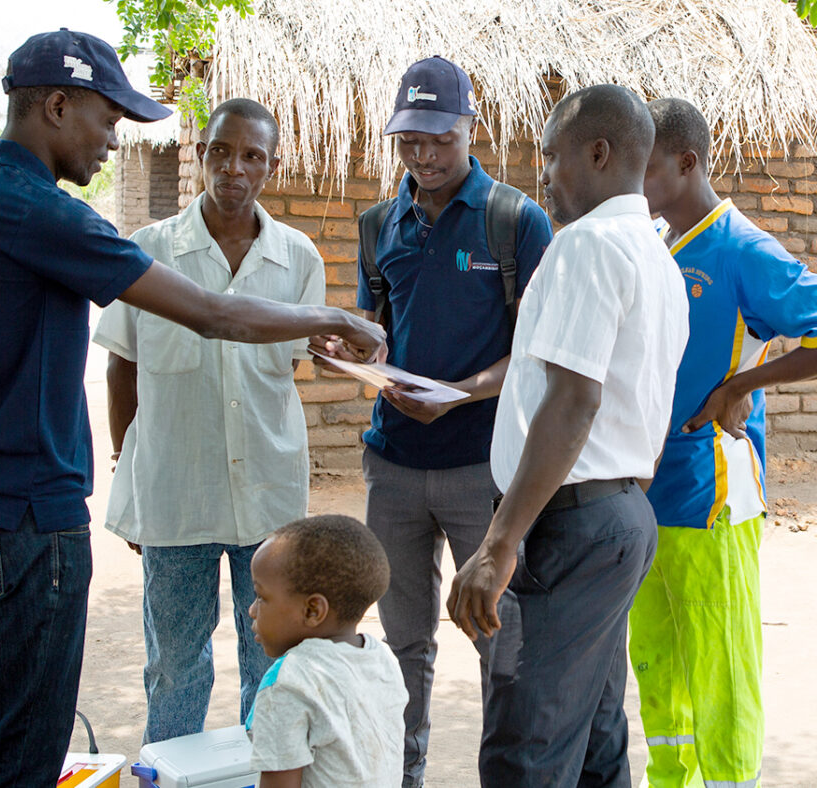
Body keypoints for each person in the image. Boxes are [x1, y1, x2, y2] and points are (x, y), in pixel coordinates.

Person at [0, 30, 382, 788]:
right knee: (26, 744)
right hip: (31, 512)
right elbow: (211, 315)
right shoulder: (43, 213)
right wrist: (334, 318)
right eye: (107, 119)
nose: (113, 142)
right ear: (58, 105)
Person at [630, 97, 817, 788]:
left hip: (712, 495)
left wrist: (745, 383)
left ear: (687, 164)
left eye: (646, 167)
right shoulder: (656, 246)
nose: (634, 181)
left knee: (722, 672)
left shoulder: (741, 249)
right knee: (660, 665)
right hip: (647, 495)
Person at [447, 84, 687, 787]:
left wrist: (498, 544)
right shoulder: (655, 256)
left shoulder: (586, 245)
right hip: (616, 521)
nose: (542, 176)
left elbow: (575, 400)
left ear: (599, 153)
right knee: (593, 739)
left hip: (568, 527)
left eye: (550, 157)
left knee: (527, 748)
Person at [94, 98, 323, 742]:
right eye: (221, 151)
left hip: (269, 500)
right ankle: (168, 772)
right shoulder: (150, 252)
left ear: (270, 168)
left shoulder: (297, 257)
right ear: (201, 156)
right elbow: (123, 369)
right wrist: (130, 469)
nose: (234, 169)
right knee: (175, 665)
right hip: (176, 495)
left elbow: (293, 369)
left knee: (270, 664)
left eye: (252, 156)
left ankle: (262, 774)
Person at [352, 55, 552, 787]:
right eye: (410, 141)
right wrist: (352, 349)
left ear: (471, 128)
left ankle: (511, 777)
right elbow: (377, 327)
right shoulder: (379, 224)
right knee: (403, 642)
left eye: (440, 138)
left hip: (484, 468)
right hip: (393, 467)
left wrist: (463, 393)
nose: (425, 156)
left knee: (501, 640)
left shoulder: (515, 221)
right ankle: (405, 775)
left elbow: (538, 354)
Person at [246, 515, 408, 788]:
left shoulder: (288, 684)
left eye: (262, 597)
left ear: (313, 611)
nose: (251, 610)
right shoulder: (382, 658)